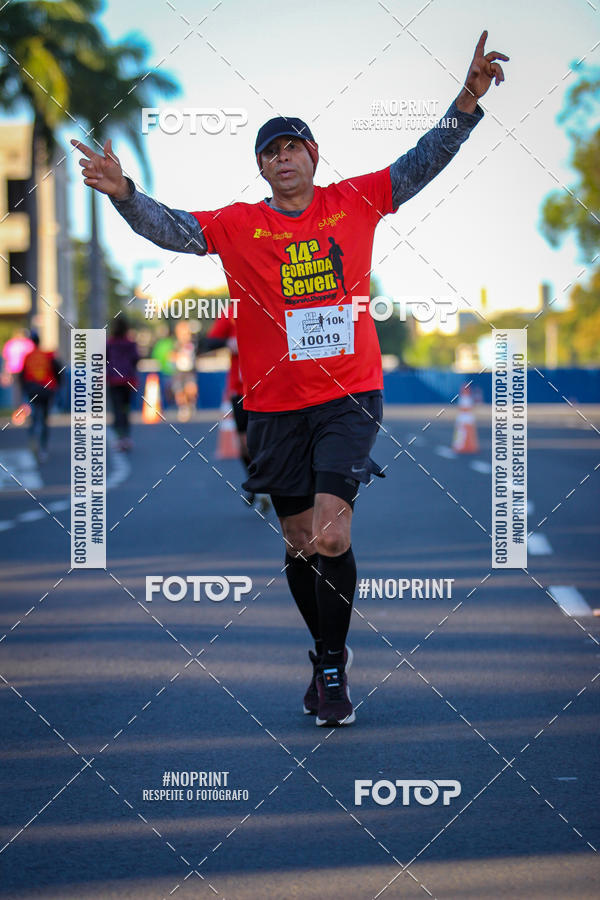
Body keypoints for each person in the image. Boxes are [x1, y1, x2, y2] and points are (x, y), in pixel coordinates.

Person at [72, 32, 508, 726]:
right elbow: (173, 229)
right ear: (263, 168)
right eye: (270, 153)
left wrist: (465, 101)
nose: (283, 159)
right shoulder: (240, 225)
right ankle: (324, 652)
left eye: (292, 147)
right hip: (272, 406)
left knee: (333, 535)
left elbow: (425, 160)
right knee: (301, 542)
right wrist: (125, 193)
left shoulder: (357, 200)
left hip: (349, 395)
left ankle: (334, 670)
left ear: (312, 156)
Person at [197, 304, 271, 512]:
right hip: (240, 389)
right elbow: (209, 342)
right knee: (244, 443)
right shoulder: (232, 311)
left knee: (269, 438)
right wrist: (229, 343)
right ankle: (257, 484)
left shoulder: (270, 303)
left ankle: (271, 486)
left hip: (270, 386)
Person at [19, 331, 62, 460]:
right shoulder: (48, 355)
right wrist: (57, 387)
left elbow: (22, 375)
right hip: (47, 390)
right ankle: (43, 447)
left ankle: (32, 439)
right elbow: (58, 371)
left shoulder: (28, 356)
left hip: (33, 390)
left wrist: (25, 389)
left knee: (34, 414)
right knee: (44, 418)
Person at [106, 316, 139, 451]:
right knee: (126, 409)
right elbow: (136, 359)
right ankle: (126, 437)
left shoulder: (110, 344)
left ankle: (119, 437)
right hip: (128, 381)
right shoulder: (130, 344)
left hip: (114, 381)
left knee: (116, 409)